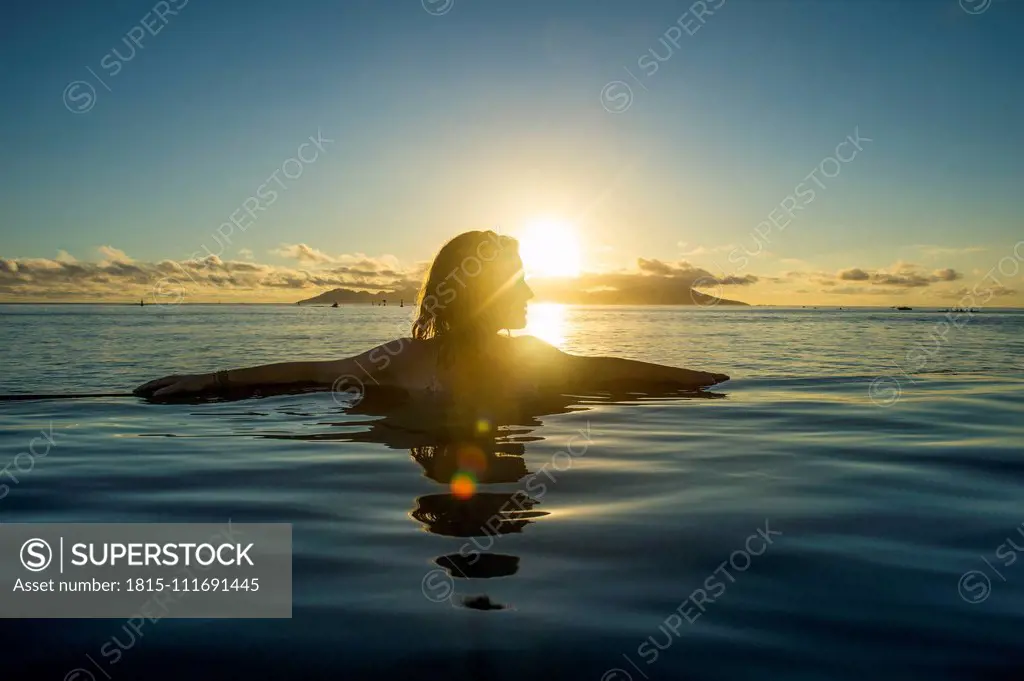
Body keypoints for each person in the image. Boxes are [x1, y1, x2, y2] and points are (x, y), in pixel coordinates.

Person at [134, 230, 729, 400]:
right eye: (519, 283)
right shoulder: (403, 360)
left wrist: (692, 378)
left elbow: (606, 368)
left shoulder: (535, 359)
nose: (532, 296)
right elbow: (310, 370)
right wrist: (209, 380)